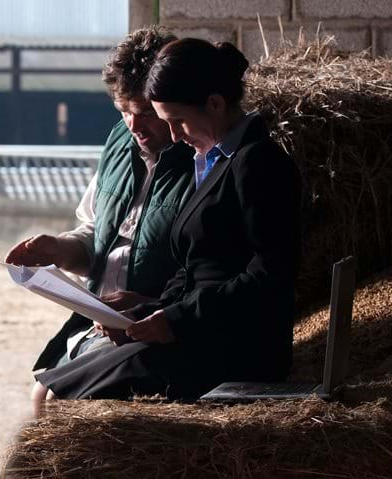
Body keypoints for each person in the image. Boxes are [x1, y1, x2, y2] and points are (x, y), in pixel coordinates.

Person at [29, 38, 302, 412]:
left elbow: (271, 274)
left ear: (215, 105)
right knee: (47, 388)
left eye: (177, 121)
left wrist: (177, 318)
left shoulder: (258, 163)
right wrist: (148, 308)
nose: (175, 136)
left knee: (56, 395)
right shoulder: (214, 161)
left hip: (234, 345)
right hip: (201, 331)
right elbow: (196, 268)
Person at [2, 27, 197, 418]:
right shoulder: (117, 146)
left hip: (150, 325)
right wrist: (57, 250)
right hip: (98, 321)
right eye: (123, 111)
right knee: (41, 396)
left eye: (145, 113)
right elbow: (96, 236)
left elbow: (208, 269)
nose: (134, 126)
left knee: (50, 401)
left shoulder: (202, 161)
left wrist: (152, 307)